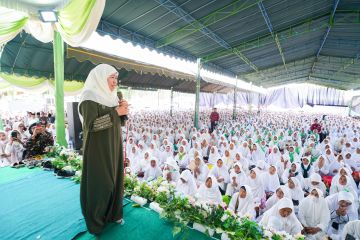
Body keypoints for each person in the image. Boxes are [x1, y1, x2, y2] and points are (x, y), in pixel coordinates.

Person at [79, 64, 129, 235]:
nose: (115, 82)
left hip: (114, 143)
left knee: (115, 179)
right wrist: (116, 112)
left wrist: (123, 111)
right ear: (100, 77)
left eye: (116, 78)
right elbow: (91, 125)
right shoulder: (89, 97)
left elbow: (119, 121)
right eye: (112, 78)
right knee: (101, 183)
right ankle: (96, 221)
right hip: (98, 148)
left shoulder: (113, 96)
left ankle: (113, 214)